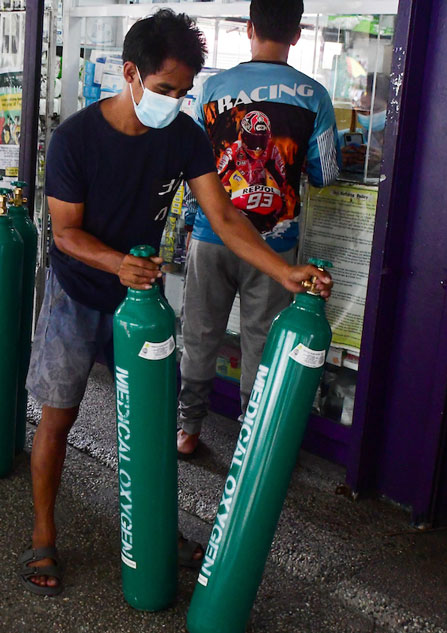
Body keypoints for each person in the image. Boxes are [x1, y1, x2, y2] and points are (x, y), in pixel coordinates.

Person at [19, 9, 332, 596]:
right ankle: (43, 534)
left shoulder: (184, 135)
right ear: (130, 73)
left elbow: (224, 215)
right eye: (166, 89)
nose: (175, 101)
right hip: (77, 294)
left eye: (185, 91)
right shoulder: (75, 139)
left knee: (154, 425)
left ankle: (158, 534)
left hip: (142, 306)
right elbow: (64, 233)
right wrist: (117, 263)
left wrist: (284, 270)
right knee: (58, 417)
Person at [176, 0, 341, 455]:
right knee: (262, 344)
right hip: (275, 249)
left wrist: (190, 224)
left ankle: (188, 430)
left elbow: (192, 165)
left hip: (211, 235)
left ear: (249, 28)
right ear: (297, 34)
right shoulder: (314, 96)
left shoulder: (212, 89)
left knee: (199, 333)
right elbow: (326, 172)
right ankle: (251, 442)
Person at [340, 73, 388, 176]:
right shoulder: (341, 138)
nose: (368, 115)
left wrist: (383, 161)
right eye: (362, 110)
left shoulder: (398, 143)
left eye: (375, 109)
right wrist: (339, 159)